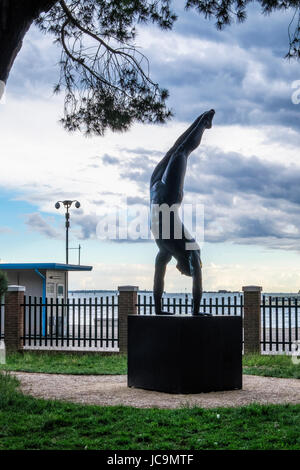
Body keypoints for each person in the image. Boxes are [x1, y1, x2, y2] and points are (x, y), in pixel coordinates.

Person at [150, 109, 215, 315]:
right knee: (179, 151)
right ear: (189, 266)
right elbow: (198, 276)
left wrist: (159, 310)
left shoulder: (165, 251)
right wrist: (196, 311)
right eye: (185, 272)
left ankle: (203, 121)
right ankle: (202, 121)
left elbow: (158, 278)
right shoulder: (192, 249)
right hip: (166, 197)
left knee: (176, 151)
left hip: (155, 191)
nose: (179, 272)